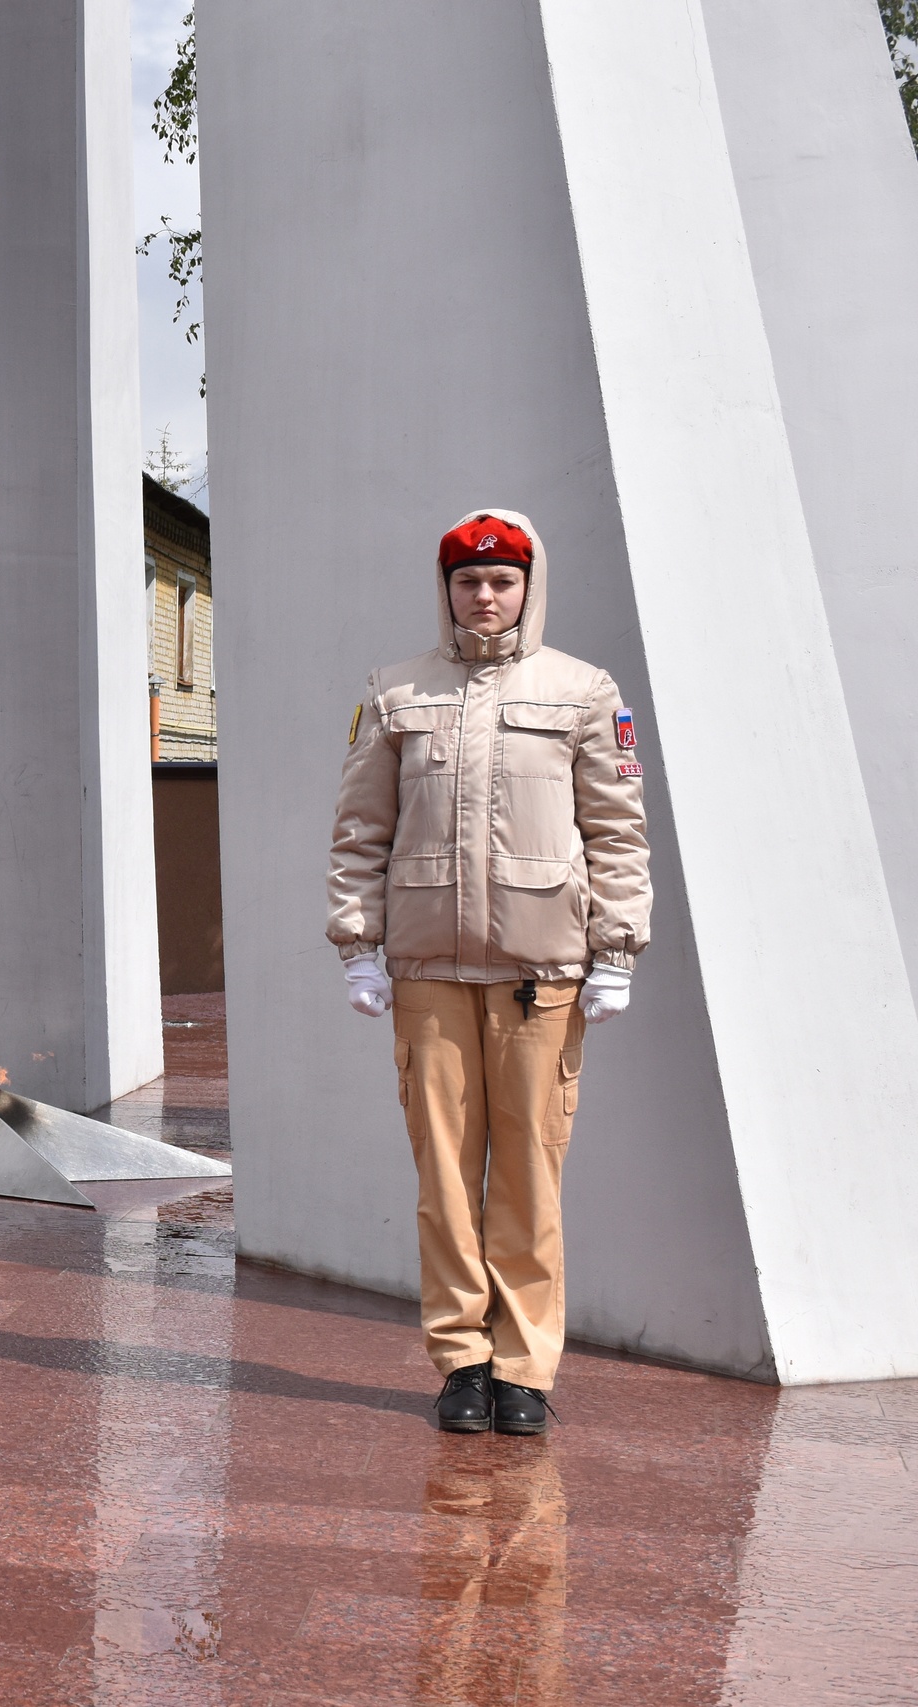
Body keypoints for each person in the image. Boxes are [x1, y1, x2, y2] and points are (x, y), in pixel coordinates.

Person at [328, 511, 650, 1436]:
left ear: (528, 586)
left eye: (502, 580)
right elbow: (360, 833)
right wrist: (358, 945)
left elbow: (617, 833)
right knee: (443, 1175)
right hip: (427, 969)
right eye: (468, 581)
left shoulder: (583, 692)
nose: (485, 596)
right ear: (446, 589)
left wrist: (616, 951)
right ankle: (462, 1360)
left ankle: (525, 1367)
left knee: (529, 1179)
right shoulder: (395, 693)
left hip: (541, 972)